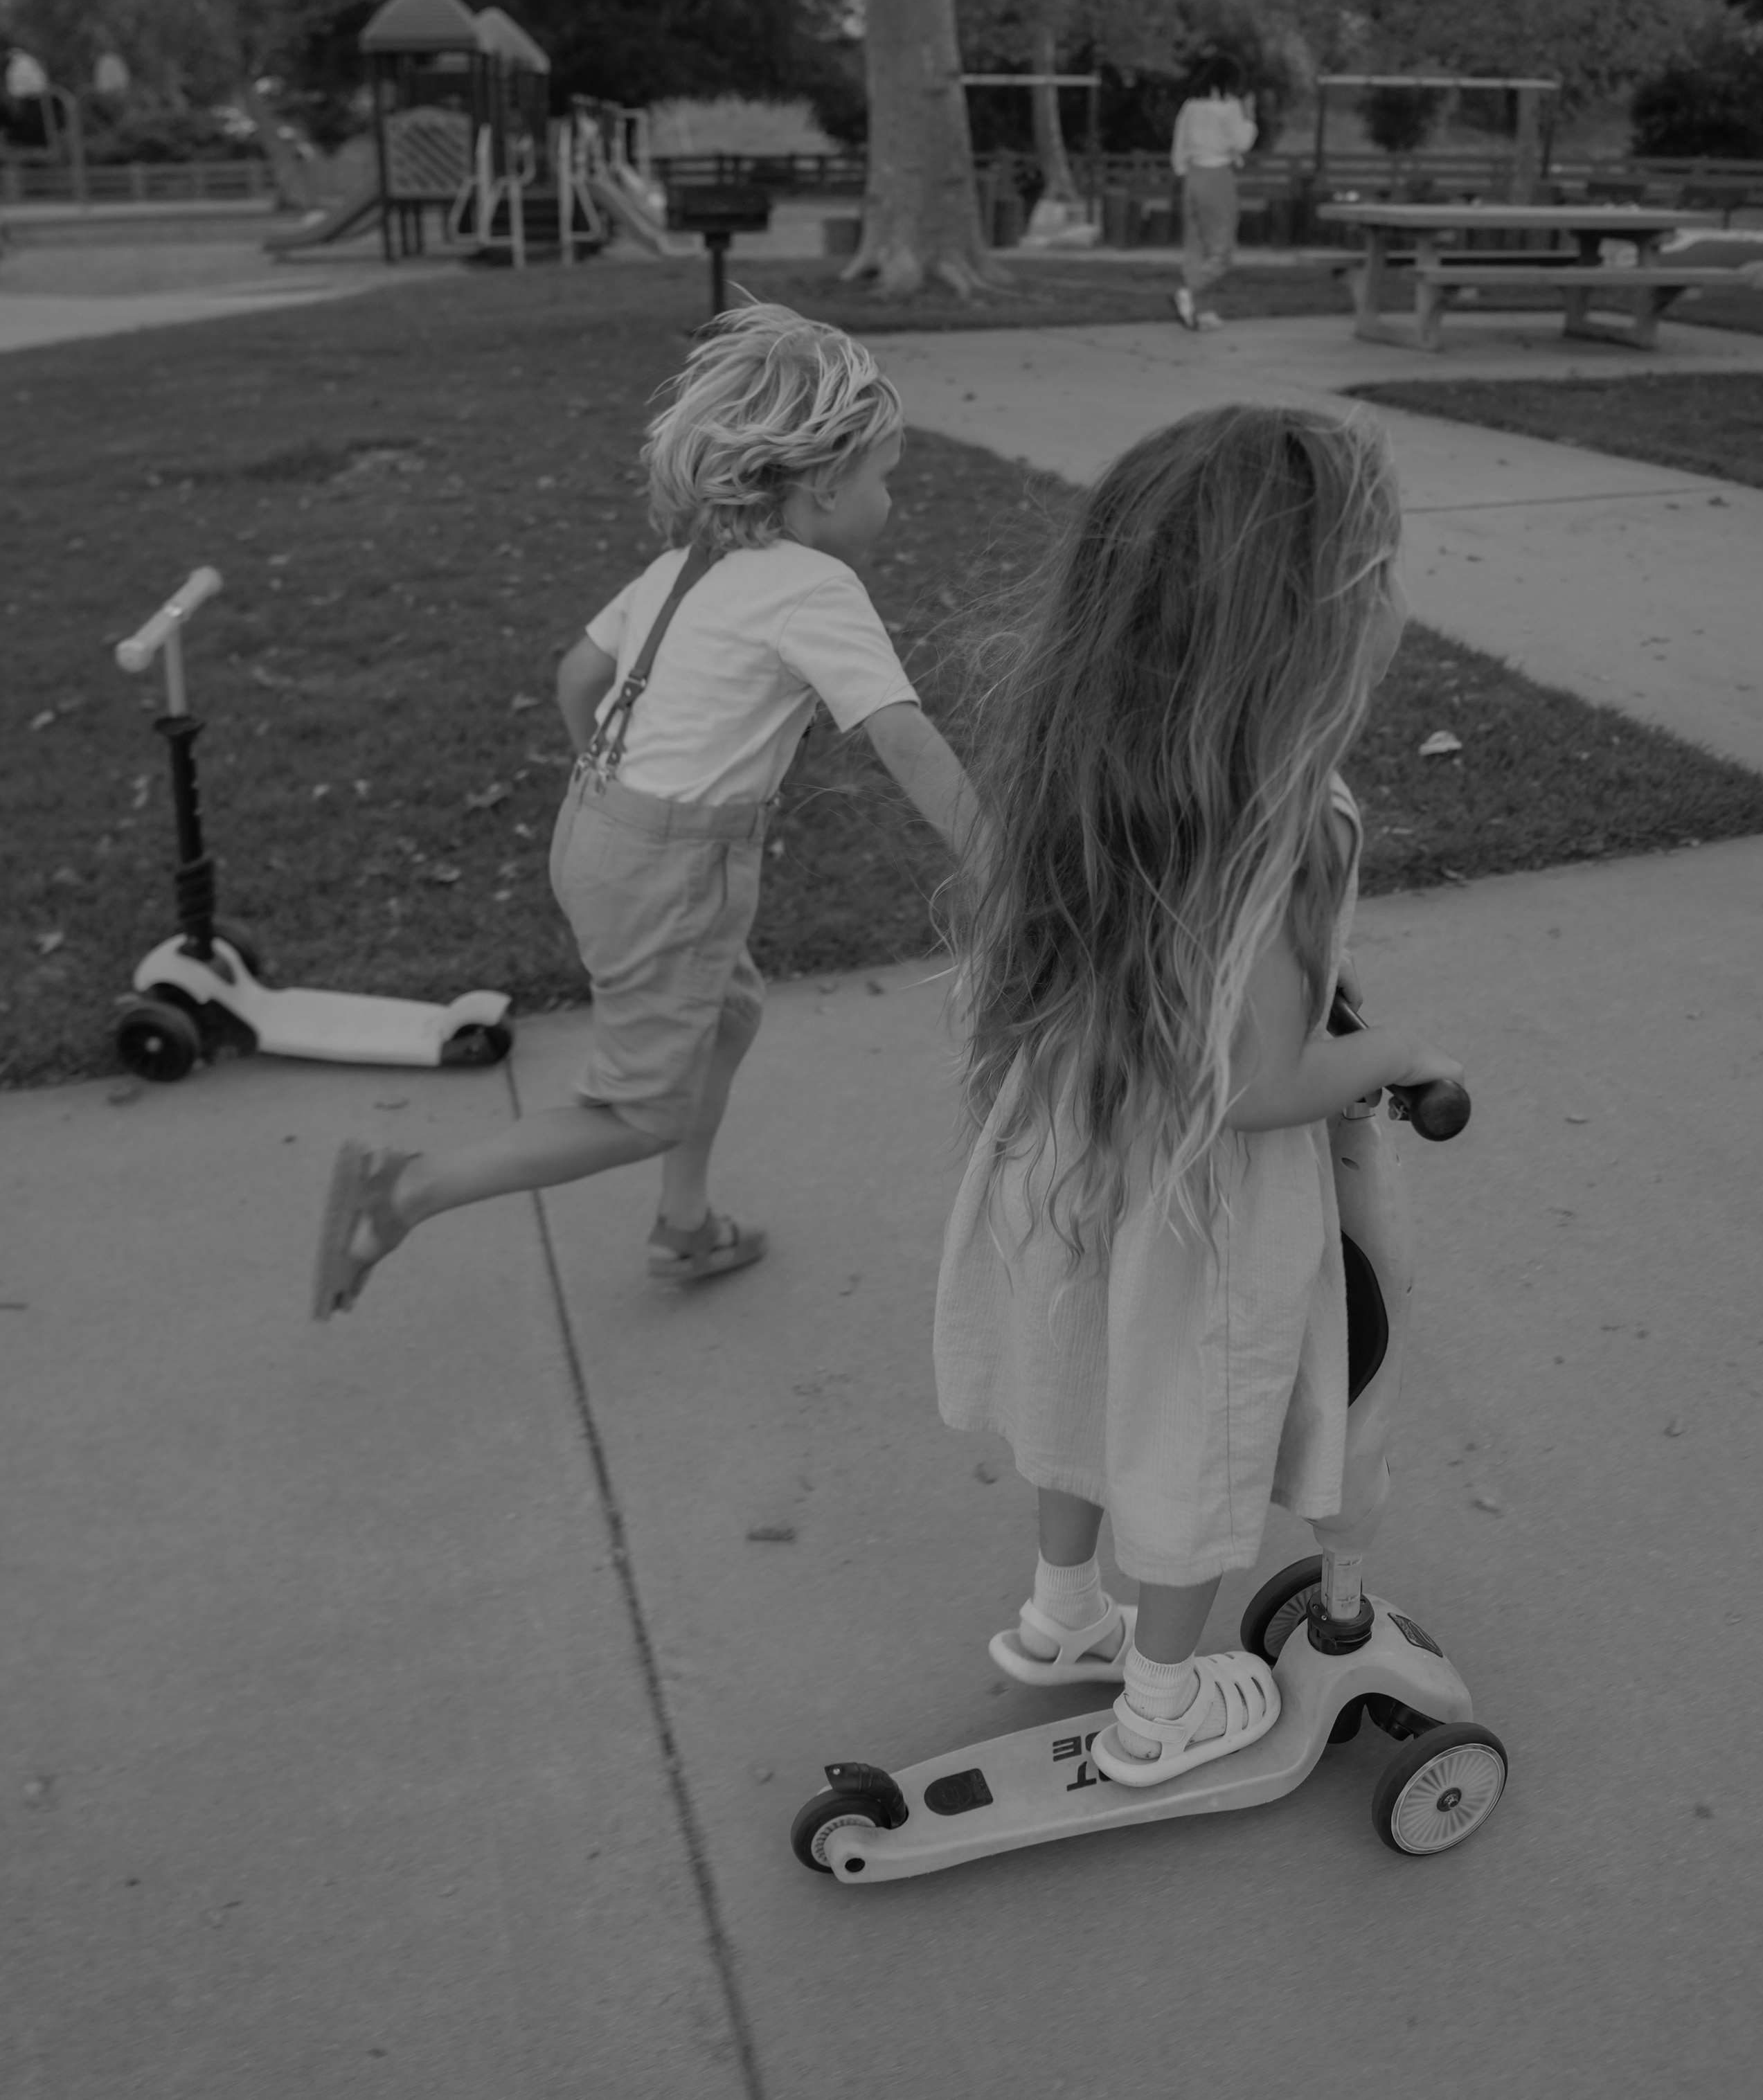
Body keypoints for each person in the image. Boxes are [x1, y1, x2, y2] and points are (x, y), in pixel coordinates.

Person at [933, 405, 1463, 1786]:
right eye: (1382, 566)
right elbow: (1258, 1082)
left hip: (1082, 1140)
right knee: (1186, 1426)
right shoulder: (1294, 819)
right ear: (1317, 616)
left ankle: (1062, 1616)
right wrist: (1397, 1056)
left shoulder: (1082, 754)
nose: (1397, 596)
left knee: (1084, 1380)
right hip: (1199, 1201)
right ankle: (1159, 1707)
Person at [312, 305, 978, 1318]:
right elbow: (901, 736)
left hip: (597, 829)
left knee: (730, 1011)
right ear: (824, 479)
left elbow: (580, 673)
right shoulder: (816, 588)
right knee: (637, 1112)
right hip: (672, 872)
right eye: (886, 477)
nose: (891, 501)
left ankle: (685, 1224)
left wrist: (611, 778)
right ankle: (403, 1193)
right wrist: (1002, 859)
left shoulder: (687, 565)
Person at [1170, 53, 1258, 331]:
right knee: (1221, 251)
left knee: (1197, 246)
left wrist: (1185, 174)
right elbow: (1242, 143)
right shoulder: (1229, 108)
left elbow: (1178, 150)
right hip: (1217, 176)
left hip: (1193, 177)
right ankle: (1190, 291)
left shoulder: (1191, 107)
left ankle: (1199, 312)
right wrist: (1250, 117)